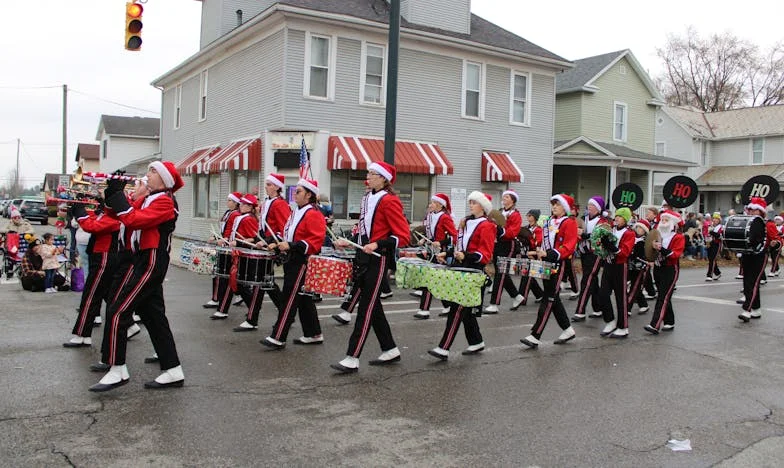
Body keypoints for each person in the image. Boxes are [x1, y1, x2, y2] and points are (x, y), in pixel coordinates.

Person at [89, 161, 185, 392]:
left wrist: (119, 198)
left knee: (117, 310)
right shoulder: (150, 198)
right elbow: (124, 213)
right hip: (142, 259)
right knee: (154, 317)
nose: (147, 175)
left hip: (151, 261)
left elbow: (134, 220)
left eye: (152, 172)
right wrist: (113, 193)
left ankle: (117, 368)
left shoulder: (165, 200)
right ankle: (173, 370)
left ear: (164, 179)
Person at [330, 161, 410, 374]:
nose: (369, 176)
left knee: (365, 309)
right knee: (373, 308)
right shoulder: (367, 198)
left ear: (384, 178)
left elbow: (402, 235)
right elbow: (362, 229)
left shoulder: (390, 201)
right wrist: (348, 240)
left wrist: (378, 243)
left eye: (373, 174)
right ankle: (390, 349)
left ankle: (352, 357)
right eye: (369, 173)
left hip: (378, 258)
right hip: (362, 256)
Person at [427, 191, 494, 360]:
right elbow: (460, 245)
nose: (470, 205)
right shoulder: (466, 222)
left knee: (457, 308)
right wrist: (448, 252)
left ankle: (444, 347)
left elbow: (485, 254)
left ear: (483, 206)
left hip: (473, 270)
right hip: (460, 268)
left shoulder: (486, 225)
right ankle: (476, 341)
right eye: (470, 202)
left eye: (474, 202)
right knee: (464, 309)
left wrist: (467, 256)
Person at [260, 178, 326, 349]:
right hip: (292, 259)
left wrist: (291, 245)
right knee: (303, 298)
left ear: (309, 194)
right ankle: (314, 333)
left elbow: (315, 241)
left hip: (302, 261)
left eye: (298, 192)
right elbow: (288, 234)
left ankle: (278, 336)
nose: (294, 195)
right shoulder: (296, 211)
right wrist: (276, 242)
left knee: (289, 298)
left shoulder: (314, 213)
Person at [520, 194, 578, 348]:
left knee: (549, 298)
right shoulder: (548, 222)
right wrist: (537, 252)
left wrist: (550, 254)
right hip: (546, 262)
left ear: (564, 207)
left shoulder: (569, 222)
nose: (554, 207)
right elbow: (544, 244)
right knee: (553, 297)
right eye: (553, 204)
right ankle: (567, 329)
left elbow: (569, 245)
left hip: (559, 263)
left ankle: (535, 335)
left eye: (557, 204)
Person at [233, 174, 290, 331]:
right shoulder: (267, 203)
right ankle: (286, 316)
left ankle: (253, 319)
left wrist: (271, 242)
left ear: (277, 187)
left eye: (269, 184)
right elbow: (264, 226)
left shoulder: (279, 204)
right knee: (267, 283)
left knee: (261, 282)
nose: (266, 186)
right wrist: (261, 239)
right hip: (264, 246)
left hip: (271, 247)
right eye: (266, 184)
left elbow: (284, 227)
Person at [62, 201, 121, 348]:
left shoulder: (114, 218)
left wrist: (80, 212)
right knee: (103, 294)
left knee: (90, 296)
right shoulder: (107, 215)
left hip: (104, 257)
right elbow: (93, 220)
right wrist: (79, 211)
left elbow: (91, 226)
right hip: (100, 257)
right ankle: (85, 334)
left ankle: (82, 333)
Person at [210, 194, 260, 320]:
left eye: (243, 204)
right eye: (241, 204)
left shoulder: (248, 219)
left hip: (242, 254)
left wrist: (238, 242)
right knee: (234, 282)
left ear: (250, 206)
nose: (241, 206)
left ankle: (227, 310)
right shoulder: (242, 216)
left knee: (233, 282)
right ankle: (251, 310)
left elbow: (254, 238)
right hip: (235, 252)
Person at [413, 193, 457, 320]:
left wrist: (441, 242)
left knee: (430, 279)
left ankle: (424, 309)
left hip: (441, 253)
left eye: (432, 202)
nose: (430, 204)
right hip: (431, 251)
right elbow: (431, 235)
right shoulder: (431, 216)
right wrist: (425, 240)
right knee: (438, 281)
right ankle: (448, 306)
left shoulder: (445, 218)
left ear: (440, 204)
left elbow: (454, 236)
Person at [737, 197, 779, 323]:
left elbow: (777, 240)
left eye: (754, 210)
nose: (751, 212)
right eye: (750, 209)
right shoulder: (745, 222)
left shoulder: (768, 224)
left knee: (753, 282)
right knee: (747, 282)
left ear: (761, 212)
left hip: (760, 255)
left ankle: (747, 310)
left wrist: (774, 243)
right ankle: (756, 309)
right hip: (747, 254)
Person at [596, 207, 636, 339]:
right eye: (616, 216)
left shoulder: (629, 233)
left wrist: (611, 246)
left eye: (620, 217)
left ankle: (623, 327)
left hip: (620, 266)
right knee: (603, 294)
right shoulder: (610, 229)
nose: (617, 218)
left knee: (621, 297)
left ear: (626, 219)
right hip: (608, 264)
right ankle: (610, 321)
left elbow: (624, 252)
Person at [644, 210, 685, 334]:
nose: (664, 222)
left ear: (672, 223)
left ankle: (655, 324)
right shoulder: (657, 236)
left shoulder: (678, 237)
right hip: (658, 268)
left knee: (662, 297)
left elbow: (675, 255)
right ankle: (669, 321)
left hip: (670, 269)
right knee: (665, 295)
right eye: (662, 220)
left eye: (667, 220)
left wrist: (661, 249)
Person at [485, 190, 525, 314]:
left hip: (509, 245)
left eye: (507, 197)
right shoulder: (500, 212)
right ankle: (517, 297)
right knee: (501, 272)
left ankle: (494, 303)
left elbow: (513, 232)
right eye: (503, 197)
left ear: (513, 200)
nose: (504, 199)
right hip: (498, 243)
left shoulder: (516, 215)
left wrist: (499, 229)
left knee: (500, 273)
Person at [571, 196, 608, 322]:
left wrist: (585, 235)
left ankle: (580, 311)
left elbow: (600, 236)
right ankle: (598, 308)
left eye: (592, 205)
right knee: (592, 280)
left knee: (587, 280)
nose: (589, 207)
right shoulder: (583, 219)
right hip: (584, 252)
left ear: (598, 208)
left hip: (596, 253)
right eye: (589, 205)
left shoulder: (602, 221)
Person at [203, 192, 242, 308]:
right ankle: (219, 297)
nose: (228, 202)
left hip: (227, 247)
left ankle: (218, 298)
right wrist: (216, 237)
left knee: (221, 273)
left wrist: (225, 240)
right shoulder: (228, 213)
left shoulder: (235, 214)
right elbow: (223, 230)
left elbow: (232, 231)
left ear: (236, 203)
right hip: (223, 244)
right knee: (219, 273)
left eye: (230, 200)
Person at [516, 209, 544, 306]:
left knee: (526, 276)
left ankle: (522, 298)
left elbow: (539, 244)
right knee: (527, 276)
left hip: (533, 254)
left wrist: (532, 253)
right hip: (526, 254)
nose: (527, 216)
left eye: (530, 215)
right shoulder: (525, 228)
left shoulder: (538, 230)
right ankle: (540, 294)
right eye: (527, 215)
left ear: (534, 217)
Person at [626, 218, 650, 315]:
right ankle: (643, 304)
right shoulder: (632, 237)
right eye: (638, 227)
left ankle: (627, 308)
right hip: (629, 265)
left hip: (640, 266)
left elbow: (645, 254)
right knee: (631, 286)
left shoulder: (646, 241)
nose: (639, 229)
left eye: (641, 228)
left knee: (634, 287)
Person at [705, 212, 724, 281]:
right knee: (710, 259)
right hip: (710, 243)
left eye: (716, 219)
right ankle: (718, 273)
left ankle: (709, 275)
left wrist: (711, 232)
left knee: (712, 259)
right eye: (714, 219)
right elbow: (707, 235)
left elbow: (720, 236)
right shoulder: (711, 226)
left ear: (719, 220)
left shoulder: (721, 227)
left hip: (717, 244)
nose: (714, 220)